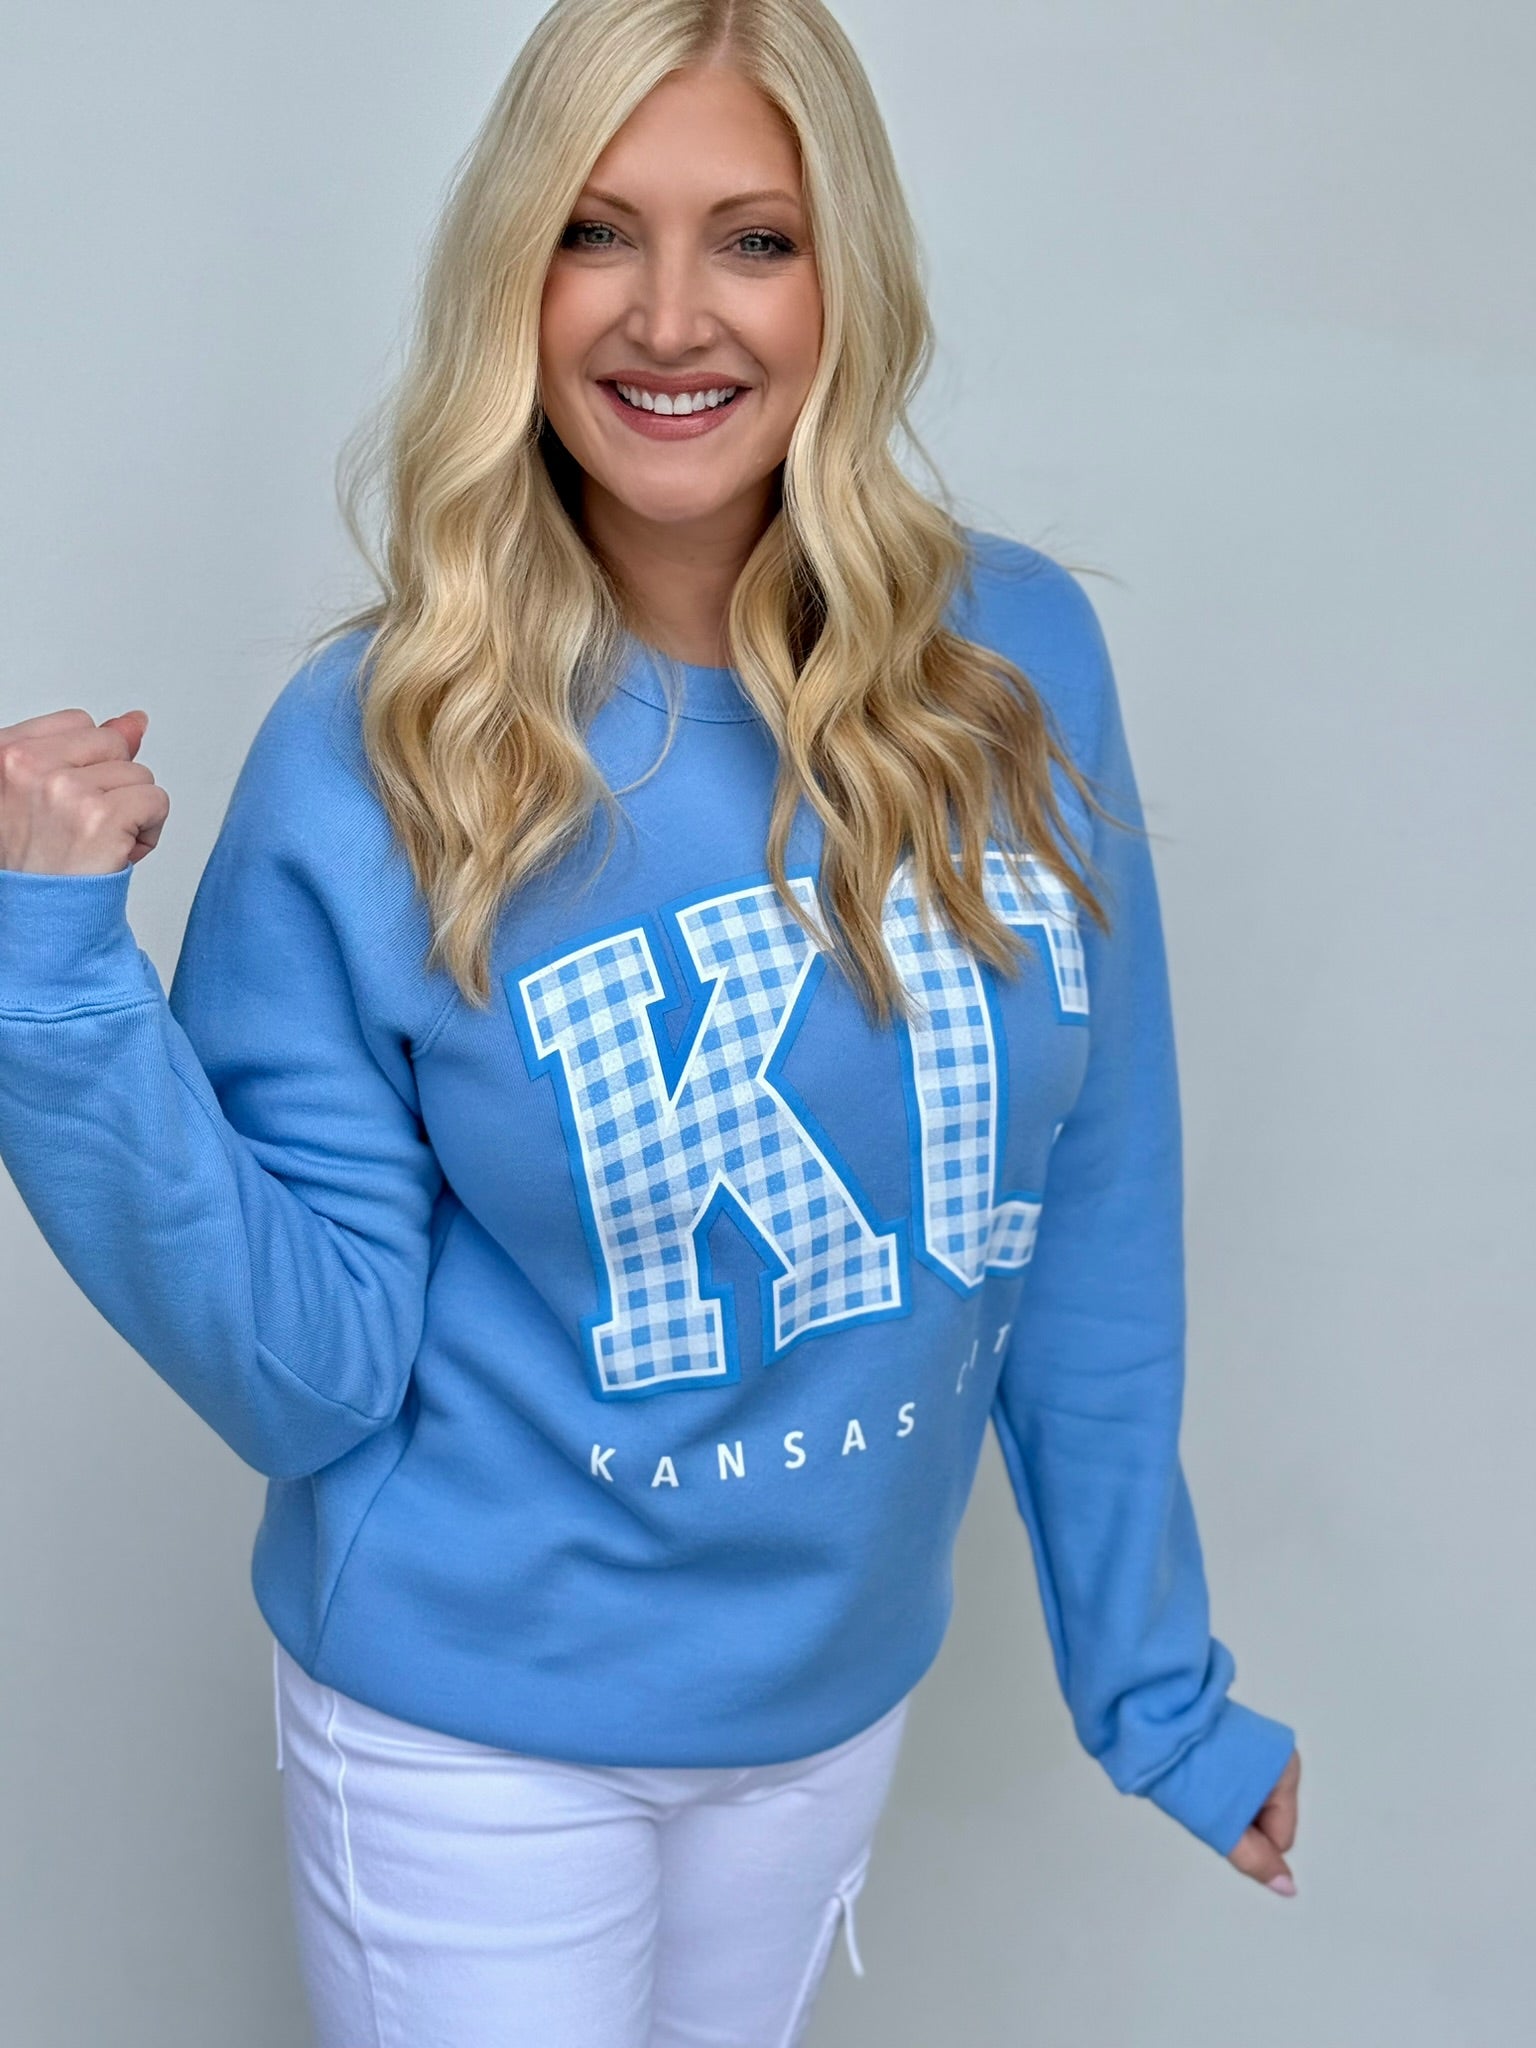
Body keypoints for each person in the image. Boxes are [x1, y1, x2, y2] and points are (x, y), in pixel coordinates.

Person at [0, 0, 1302, 2042]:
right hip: (470, 1734)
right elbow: (309, 1376)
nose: (671, 316)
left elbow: (1093, 1205)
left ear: (844, 279)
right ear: (512, 278)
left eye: (754, 239)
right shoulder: (376, 752)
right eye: (596, 232)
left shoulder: (1015, 662)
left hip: (829, 1700)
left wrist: (1159, 1689)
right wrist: (56, 990)